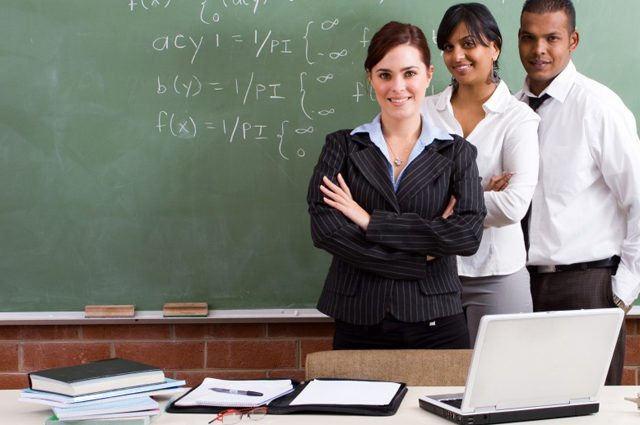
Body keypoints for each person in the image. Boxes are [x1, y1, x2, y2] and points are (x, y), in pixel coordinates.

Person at [307, 21, 486, 350]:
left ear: (428, 74)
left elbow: (467, 234)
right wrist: (418, 258)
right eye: (384, 74)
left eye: (409, 73)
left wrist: (370, 221)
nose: (398, 87)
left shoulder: (457, 152)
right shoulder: (341, 147)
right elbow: (327, 231)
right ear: (371, 78)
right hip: (358, 315)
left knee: (438, 402)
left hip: (436, 318)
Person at [517, 0, 640, 384]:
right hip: (520, 288)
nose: (539, 49)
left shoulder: (598, 107)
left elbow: (638, 198)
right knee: (525, 404)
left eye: (552, 38)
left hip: (586, 286)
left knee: (590, 411)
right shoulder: (510, 109)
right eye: (530, 38)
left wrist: (621, 293)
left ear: (573, 40)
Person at [422, 3, 539, 346]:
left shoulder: (518, 118)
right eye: (448, 47)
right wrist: (481, 188)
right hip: (431, 273)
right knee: (433, 384)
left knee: (505, 385)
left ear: (495, 47)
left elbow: (515, 206)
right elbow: (407, 197)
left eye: (468, 43)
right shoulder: (425, 113)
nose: (457, 55)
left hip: (498, 273)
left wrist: (448, 200)